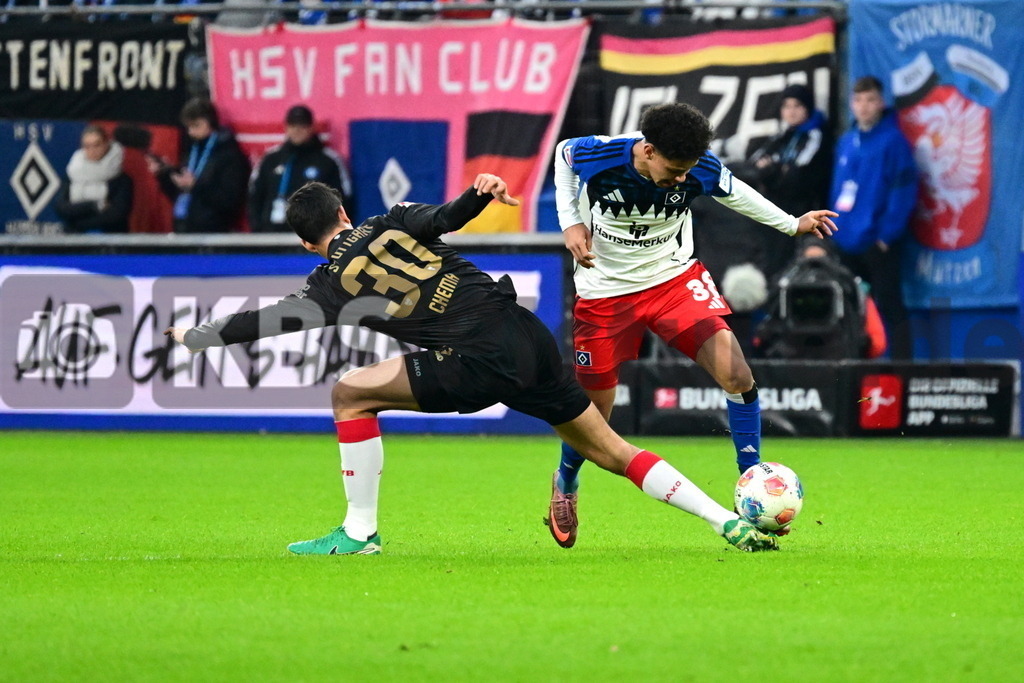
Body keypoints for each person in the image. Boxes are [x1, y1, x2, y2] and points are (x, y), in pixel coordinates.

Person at [164, 175, 780, 555]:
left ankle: (358, 534)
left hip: (474, 360)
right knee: (610, 448)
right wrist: (478, 193)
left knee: (350, 394)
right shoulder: (392, 219)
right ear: (345, 214)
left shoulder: (329, 286)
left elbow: (267, 322)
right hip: (525, 331)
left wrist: (196, 338)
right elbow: (446, 218)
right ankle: (726, 522)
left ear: (306, 241)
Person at [549, 102, 837, 548]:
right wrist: (570, 223)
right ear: (646, 151)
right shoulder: (600, 155)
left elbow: (737, 192)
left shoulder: (698, 167)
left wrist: (790, 224)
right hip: (604, 294)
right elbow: (564, 155)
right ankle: (566, 481)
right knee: (594, 417)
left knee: (737, 374)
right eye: (673, 169)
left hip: (673, 281)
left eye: (687, 171)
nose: (682, 179)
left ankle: (751, 483)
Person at [829, 76, 917, 360]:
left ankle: (903, 369)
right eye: (858, 100)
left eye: (870, 100)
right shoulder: (846, 143)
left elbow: (903, 191)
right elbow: (838, 189)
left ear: (881, 103)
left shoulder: (893, 142)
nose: (864, 107)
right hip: (846, 242)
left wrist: (886, 237)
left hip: (877, 242)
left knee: (889, 305)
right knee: (851, 310)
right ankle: (856, 370)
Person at [743, 84, 834, 281]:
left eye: (797, 106)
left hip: (805, 216)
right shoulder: (783, 136)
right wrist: (777, 171)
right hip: (778, 216)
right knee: (772, 268)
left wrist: (772, 171)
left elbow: (797, 178)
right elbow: (753, 167)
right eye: (786, 106)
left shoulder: (817, 135)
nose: (791, 112)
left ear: (807, 108)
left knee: (797, 272)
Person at [753, 238, 887, 360]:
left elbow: (759, 340)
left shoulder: (781, 287)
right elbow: (877, 345)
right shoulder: (853, 288)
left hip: (789, 373)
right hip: (842, 373)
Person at [148, 97, 251, 233]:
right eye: (188, 127)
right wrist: (164, 175)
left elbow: (230, 201)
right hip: (184, 227)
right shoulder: (192, 151)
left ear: (210, 122)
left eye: (196, 126)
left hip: (214, 233)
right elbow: (179, 194)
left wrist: (196, 186)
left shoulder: (230, 156)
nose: (191, 132)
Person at [248, 104, 352, 233]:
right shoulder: (271, 159)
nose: (297, 130)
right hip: (272, 236)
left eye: (302, 126)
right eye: (293, 125)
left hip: (312, 239)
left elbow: (342, 199)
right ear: (286, 127)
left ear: (311, 128)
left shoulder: (328, 160)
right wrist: (259, 228)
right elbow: (255, 195)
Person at [54, 125, 133, 234]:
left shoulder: (121, 179)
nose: (92, 150)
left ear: (106, 144)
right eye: (87, 146)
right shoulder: (72, 174)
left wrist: (77, 222)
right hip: (75, 240)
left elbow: (116, 214)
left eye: (97, 145)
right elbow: (61, 207)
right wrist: (96, 205)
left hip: (112, 242)